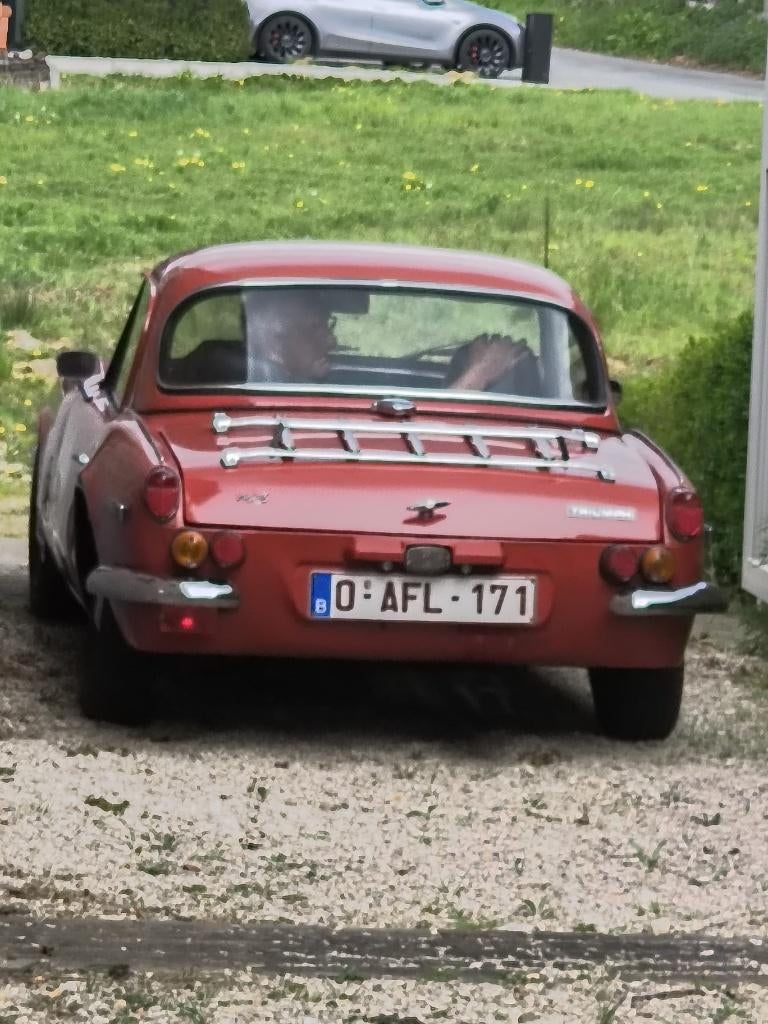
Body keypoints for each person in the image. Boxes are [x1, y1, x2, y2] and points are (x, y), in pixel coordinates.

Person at [244, 290, 537, 393]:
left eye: (328, 326)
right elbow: (425, 437)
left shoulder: (276, 380)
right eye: (314, 328)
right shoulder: (276, 397)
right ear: (272, 339)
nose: (331, 341)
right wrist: (478, 375)